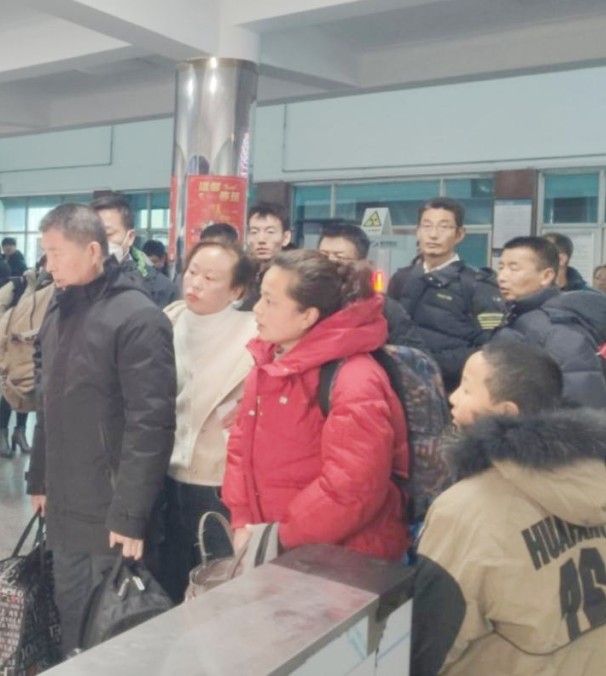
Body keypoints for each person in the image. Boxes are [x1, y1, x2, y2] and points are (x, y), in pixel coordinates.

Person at [413, 341, 606, 676]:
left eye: (466, 388)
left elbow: (431, 641)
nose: (453, 397)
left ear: (506, 412)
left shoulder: (463, 510)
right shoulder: (599, 477)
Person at [27, 203, 175, 655]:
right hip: (65, 497)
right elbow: (47, 401)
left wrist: (130, 514)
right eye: (45, 253)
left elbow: (151, 424)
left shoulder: (137, 316)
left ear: (93, 251)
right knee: (70, 611)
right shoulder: (60, 307)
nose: (48, 264)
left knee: (107, 624)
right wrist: (39, 478)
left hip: (109, 505)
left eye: (56, 253)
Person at [222, 250, 410, 562]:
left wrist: (279, 537)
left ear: (307, 316)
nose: (256, 309)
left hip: (339, 560)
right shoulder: (269, 364)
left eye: (270, 301)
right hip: (275, 549)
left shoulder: (355, 380)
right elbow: (241, 448)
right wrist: (242, 520)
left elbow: (351, 489)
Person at [156, 240, 257, 603]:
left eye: (211, 278)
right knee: (166, 584)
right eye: (192, 272)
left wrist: (253, 404)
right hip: (165, 479)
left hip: (218, 483)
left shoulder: (257, 334)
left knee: (218, 588)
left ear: (236, 291)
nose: (196, 283)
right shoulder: (167, 321)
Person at [392, 198, 506, 391]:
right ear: (418, 231)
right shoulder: (402, 278)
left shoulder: (478, 285)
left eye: (444, 227)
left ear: (459, 234)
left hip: (452, 390)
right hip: (402, 387)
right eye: (427, 226)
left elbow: (490, 347)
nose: (433, 234)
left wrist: (433, 363)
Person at [493, 236, 606, 409]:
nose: (502, 277)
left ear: (546, 276)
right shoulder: (518, 318)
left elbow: (584, 408)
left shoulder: (557, 329)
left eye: (514, 269)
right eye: (501, 267)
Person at [318, 222, 426, 349]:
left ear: (360, 262)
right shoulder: (304, 298)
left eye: (339, 257)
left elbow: (415, 353)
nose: (329, 262)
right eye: (323, 255)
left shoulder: (381, 306)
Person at [0, 261, 44, 459]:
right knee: (9, 388)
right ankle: (2, 433)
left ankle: (19, 432)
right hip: (9, 345)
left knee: (27, 388)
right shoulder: (18, 284)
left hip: (32, 346)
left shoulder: (50, 287)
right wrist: (3, 331)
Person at [92, 194, 177, 308]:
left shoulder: (161, 288)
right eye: (92, 234)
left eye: (108, 234)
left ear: (130, 237)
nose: (98, 242)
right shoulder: (76, 281)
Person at [240, 203, 293, 312]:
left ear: (286, 238)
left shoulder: (292, 277)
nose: (261, 240)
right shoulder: (241, 273)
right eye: (254, 232)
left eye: (270, 232)